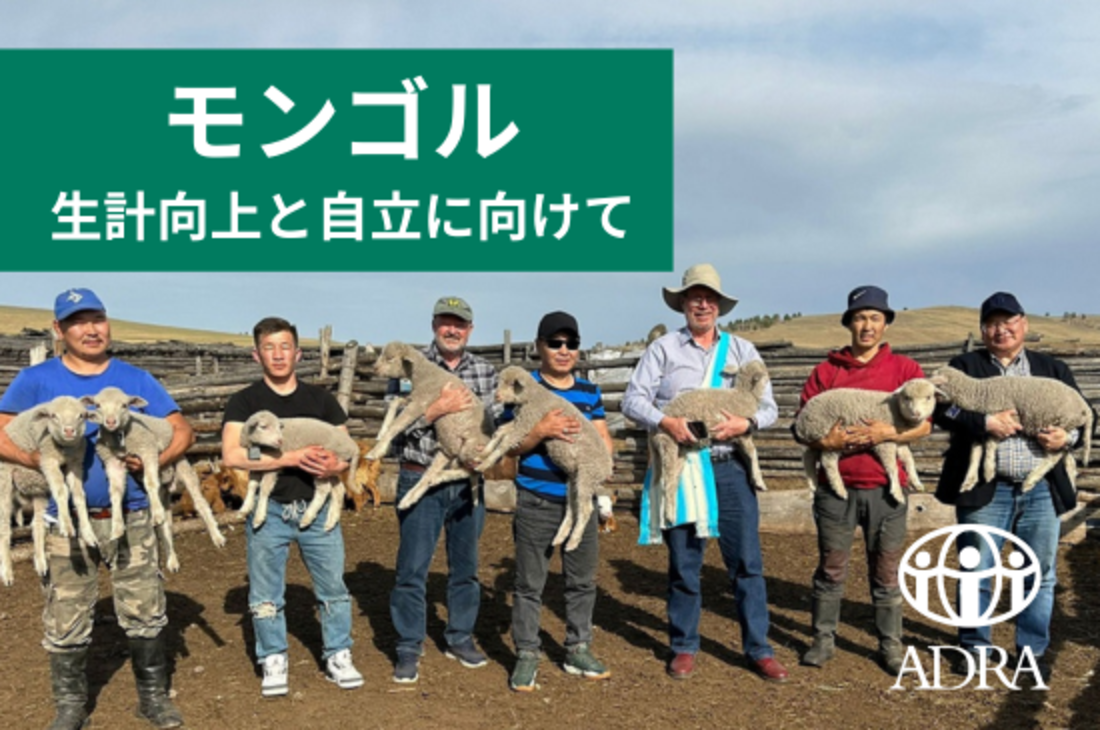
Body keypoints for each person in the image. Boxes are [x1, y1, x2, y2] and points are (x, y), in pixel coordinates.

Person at [0, 288, 190, 730]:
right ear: (59, 330)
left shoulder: (136, 379)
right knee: (66, 614)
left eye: (97, 319)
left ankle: (153, 698)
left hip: (133, 517)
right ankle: (70, 706)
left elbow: (181, 428)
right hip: (64, 523)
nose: (90, 329)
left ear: (108, 324)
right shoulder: (37, 381)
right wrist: (40, 461)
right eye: (77, 321)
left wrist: (155, 458)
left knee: (145, 610)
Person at [622, 263, 789, 682]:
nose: (702, 303)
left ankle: (759, 648)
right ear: (682, 303)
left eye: (709, 297)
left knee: (747, 562)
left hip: (729, 465)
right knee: (685, 563)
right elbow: (632, 400)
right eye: (694, 296)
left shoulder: (742, 351)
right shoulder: (662, 350)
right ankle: (684, 645)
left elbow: (768, 407)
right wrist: (667, 423)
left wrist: (745, 425)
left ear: (719, 306)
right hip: (684, 464)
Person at [933, 292, 1089, 683]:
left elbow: (1087, 416)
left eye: (1009, 322)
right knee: (976, 569)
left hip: (1040, 489)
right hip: (987, 487)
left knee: (1038, 573)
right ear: (982, 330)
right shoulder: (964, 367)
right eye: (992, 323)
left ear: (1024, 324)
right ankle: (974, 647)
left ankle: (1031, 650)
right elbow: (941, 409)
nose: (1001, 330)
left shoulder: (1051, 369)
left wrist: (1066, 438)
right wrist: (982, 423)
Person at [221, 317, 362, 697]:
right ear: (257, 354)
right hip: (271, 511)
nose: (278, 354)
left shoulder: (321, 400)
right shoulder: (245, 402)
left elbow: (346, 450)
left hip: (315, 509)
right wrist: (289, 458)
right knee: (266, 591)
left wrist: (338, 466)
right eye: (270, 347)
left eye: (285, 347)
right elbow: (232, 454)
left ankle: (338, 653)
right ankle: (273, 657)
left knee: (333, 586)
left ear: (298, 353)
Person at [795, 286, 929, 674]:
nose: (867, 325)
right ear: (849, 323)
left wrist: (887, 435)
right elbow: (801, 426)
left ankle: (890, 644)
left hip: (886, 490)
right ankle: (823, 639)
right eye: (859, 317)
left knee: (886, 569)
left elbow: (924, 427)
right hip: (837, 490)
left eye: (874, 317)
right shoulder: (826, 372)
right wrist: (826, 442)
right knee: (831, 566)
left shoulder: (905, 372)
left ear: (885, 323)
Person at [387, 296, 499, 683]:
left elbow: (494, 427)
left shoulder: (486, 373)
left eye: (460, 324)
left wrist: (481, 456)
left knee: (465, 567)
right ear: (434, 324)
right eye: (445, 322)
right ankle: (408, 645)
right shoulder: (410, 368)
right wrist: (435, 410)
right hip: (420, 474)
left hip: (467, 479)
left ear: (470, 329)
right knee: (412, 568)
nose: (452, 330)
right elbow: (395, 425)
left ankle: (460, 637)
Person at [506, 311, 614, 692]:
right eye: (555, 343)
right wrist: (541, 431)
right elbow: (511, 445)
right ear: (539, 347)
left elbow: (602, 437)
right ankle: (527, 653)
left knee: (581, 580)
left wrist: (603, 463)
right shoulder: (524, 387)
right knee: (528, 583)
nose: (564, 350)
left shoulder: (589, 392)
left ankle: (577, 647)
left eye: (571, 343)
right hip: (537, 498)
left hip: (579, 499)